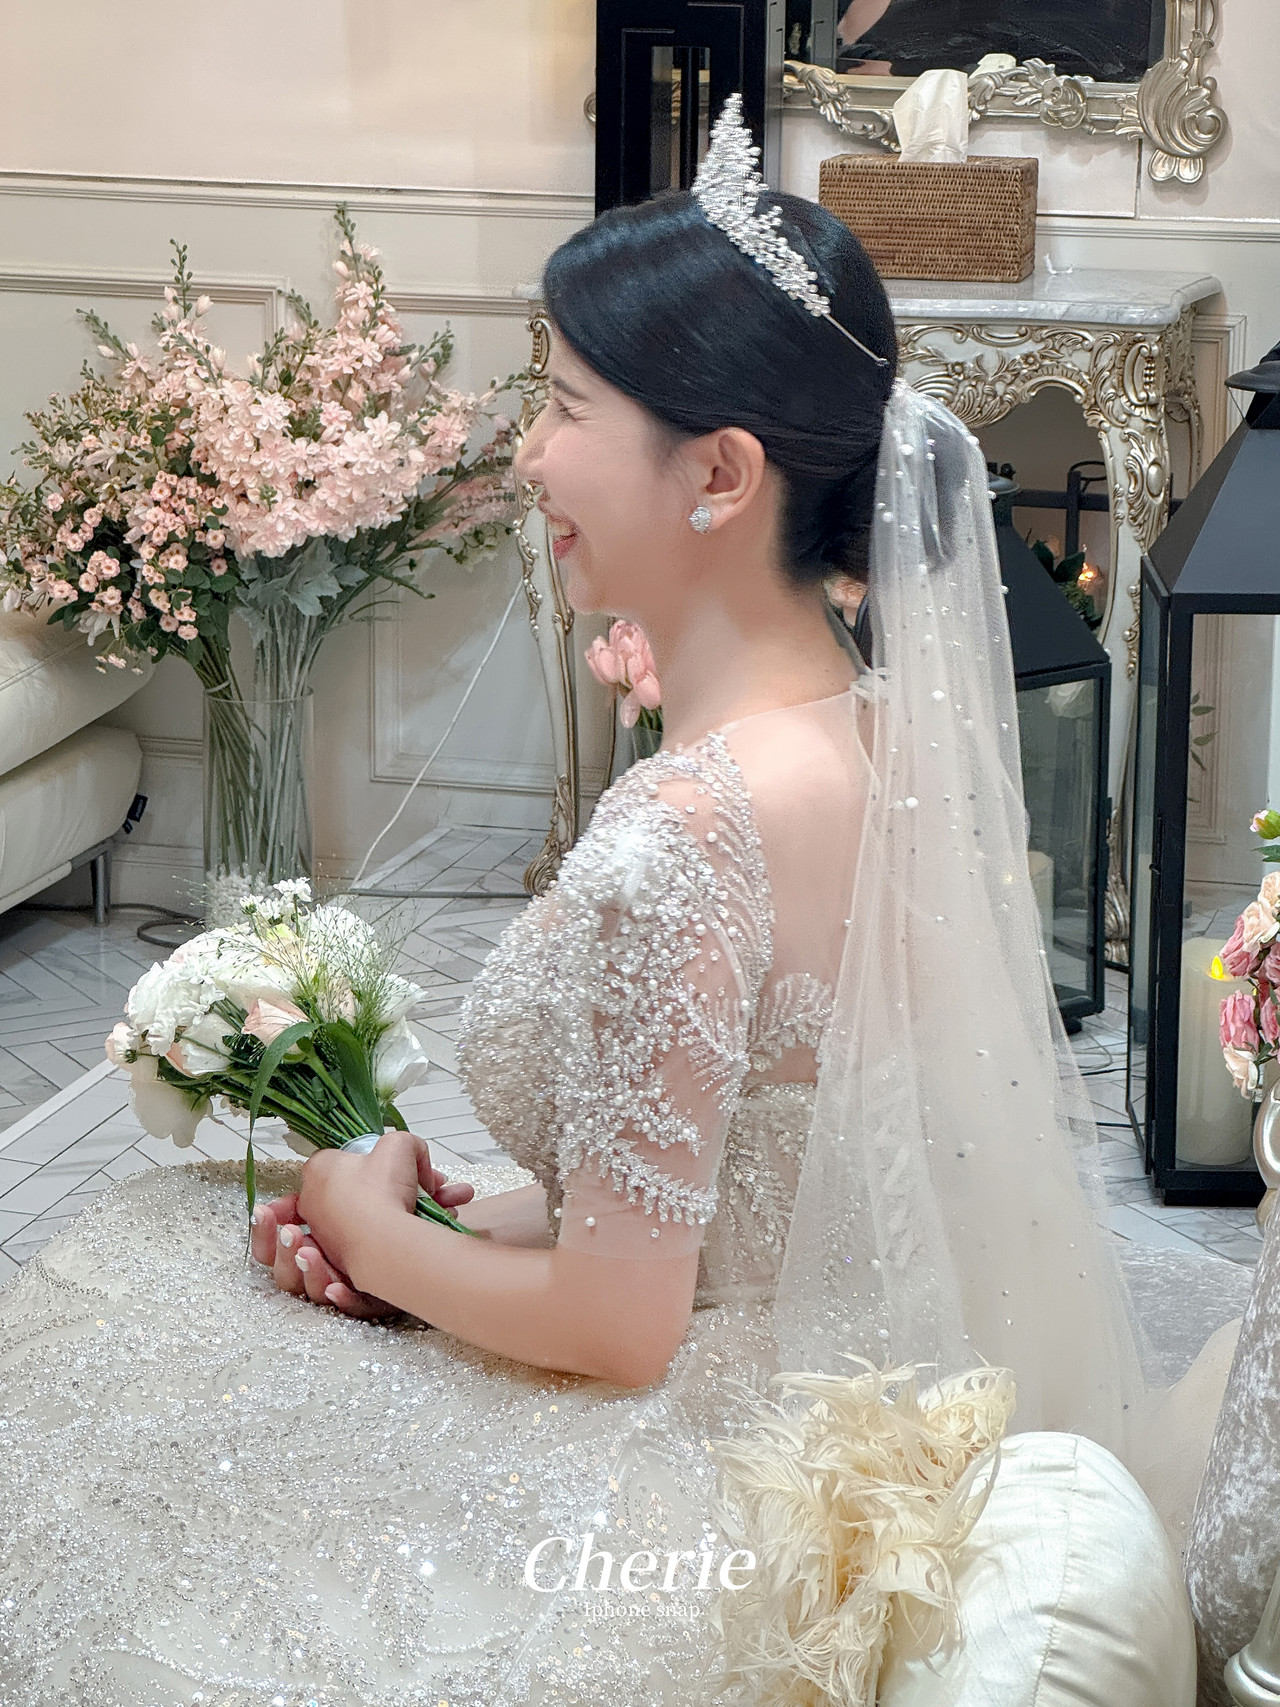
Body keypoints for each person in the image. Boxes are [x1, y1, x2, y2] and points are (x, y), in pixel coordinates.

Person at [0, 97, 1249, 1704]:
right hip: (834, 1357)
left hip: (709, 1456)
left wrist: (370, 1229)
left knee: (132, 1383)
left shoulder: (687, 834)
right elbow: (751, 1179)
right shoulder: (879, 737)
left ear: (717, 473)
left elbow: (621, 1328)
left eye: (566, 404)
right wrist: (454, 1223)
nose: (529, 454)